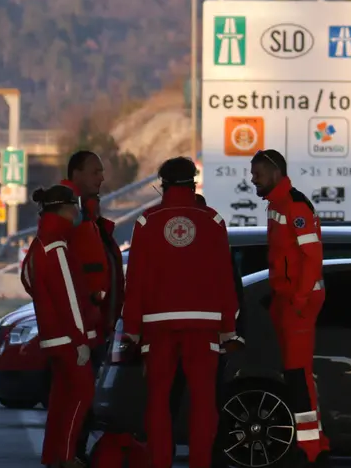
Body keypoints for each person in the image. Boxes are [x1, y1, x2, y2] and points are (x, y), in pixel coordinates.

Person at [121, 156, 240, 468]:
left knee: (158, 401)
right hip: (204, 326)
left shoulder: (146, 222)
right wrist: (229, 328)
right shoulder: (213, 221)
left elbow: (135, 280)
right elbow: (224, 278)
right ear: (193, 183)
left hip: (157, 326)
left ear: (163, 185)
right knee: (203, 402)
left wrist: (131, 330)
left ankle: (160, 462)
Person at [249, 149, 331, 466]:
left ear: (274, 172)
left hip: (299, 302)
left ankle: (311, 450)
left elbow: (312, 257)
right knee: (296, 376)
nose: (253, 179)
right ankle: (311, 443)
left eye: (257, 173)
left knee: (298, 376)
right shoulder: (277, 207)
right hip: (286, 301)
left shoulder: (295, 206)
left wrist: (298, 299)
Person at [22, 185, 102, 468]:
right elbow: (69, 297)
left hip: (52, 338)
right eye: (74, 207)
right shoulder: (58, 247)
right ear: (66, 210)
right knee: (82, 394)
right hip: (70, 339)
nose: (77, 212)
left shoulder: (39, 244)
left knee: (59, 399)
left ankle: (52, 455)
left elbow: (28, 281)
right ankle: (67, 456)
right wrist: (81, 339)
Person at [61, 150, 126, 461]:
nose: (101, 177)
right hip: (81, 328)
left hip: (95, 325)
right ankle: (68, 455)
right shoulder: (68, 215)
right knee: (77, 398)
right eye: (94, 171)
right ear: (75, 174)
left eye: (101, 171)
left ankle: (73, 453)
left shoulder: (88, 216)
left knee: (83, 400)